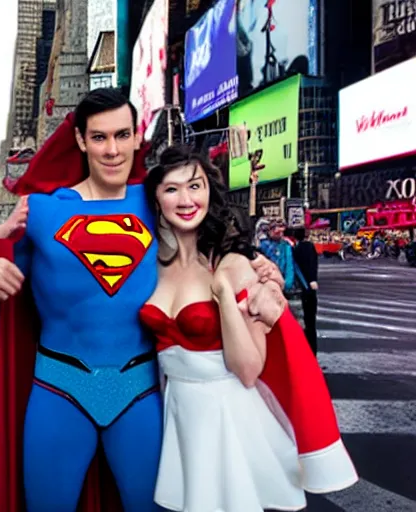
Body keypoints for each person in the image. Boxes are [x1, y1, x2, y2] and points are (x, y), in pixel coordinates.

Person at [0, 88, 285, 512]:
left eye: (122, 135)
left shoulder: (160, 202)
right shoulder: (41, 213)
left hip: (141, 394)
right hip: (59, 391)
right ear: (81, 140)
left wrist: (262, 275)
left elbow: (217, 248)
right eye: (100, 137)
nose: (112, 149)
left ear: (138, 137)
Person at [140, 146, 358, 512]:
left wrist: (225, 294)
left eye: (195, 186)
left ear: (210, 191)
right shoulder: (148, 263)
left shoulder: (236, 264)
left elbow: (248, 370)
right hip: (175, 411)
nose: (186, 199)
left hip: (227, 414)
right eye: (172, 189)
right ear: (156, 198)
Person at [293, 228, 319, 355]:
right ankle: (312, 351)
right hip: (311, 287)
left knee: (304, 323)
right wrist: (313, 279)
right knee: (311, 322)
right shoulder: (310, 247)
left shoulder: (296, 250)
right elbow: (314, 265)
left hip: (301, 289)